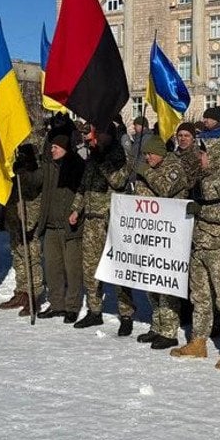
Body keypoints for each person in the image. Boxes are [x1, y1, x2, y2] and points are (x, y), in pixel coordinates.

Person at [171, 141, 220, 369]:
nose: (200, 157)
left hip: (219, 248)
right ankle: (199, 340)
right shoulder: (202, 178)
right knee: (199, 297)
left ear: (214, 156)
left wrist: (202, 210)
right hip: (199, 245)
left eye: (203, 154)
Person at [69, 123, 134, 333]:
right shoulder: (92, 157)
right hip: (92, 221)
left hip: (112, 220)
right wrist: (75, 209)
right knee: (90, 268)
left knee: (117, 269)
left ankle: (126, 313)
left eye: (90, 136)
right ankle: (94, 311)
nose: (87, 140)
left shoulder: (117, 155)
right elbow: (83, 186)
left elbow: (119, 181)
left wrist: (103, 162)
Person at [133, 136, 190, 349]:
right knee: (151, 282)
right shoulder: (148, 167)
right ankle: (157, 326)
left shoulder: (174, 167)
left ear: (161, 153)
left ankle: (169, 330)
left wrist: (146, 172)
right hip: (150, 234)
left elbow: (166, 189)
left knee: (165, 283)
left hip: (170, 235)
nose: (147, 158)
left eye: (151, 154)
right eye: (145, 154)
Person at [37, 134, 84, 322]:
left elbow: (83, 191)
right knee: (52, 267)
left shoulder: (78, 166)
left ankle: (72, 306)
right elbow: (35, 180)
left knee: (72, 268)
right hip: (50, 225)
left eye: (56, 147)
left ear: (65, 148)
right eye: (52, 147)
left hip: (70, 227)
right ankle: (57, 304)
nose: (52, 149)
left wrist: (77, 211)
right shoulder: (49, 167)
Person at [0, 134, 44, 317]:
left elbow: (34, 190)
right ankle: (21, 292)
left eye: (25, 157)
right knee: (18, 258)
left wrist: (23, 171)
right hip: (15, 220)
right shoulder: (15, 171)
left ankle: (34, 297)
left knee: (31, 259)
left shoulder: (35, 172)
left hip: (29, 222)